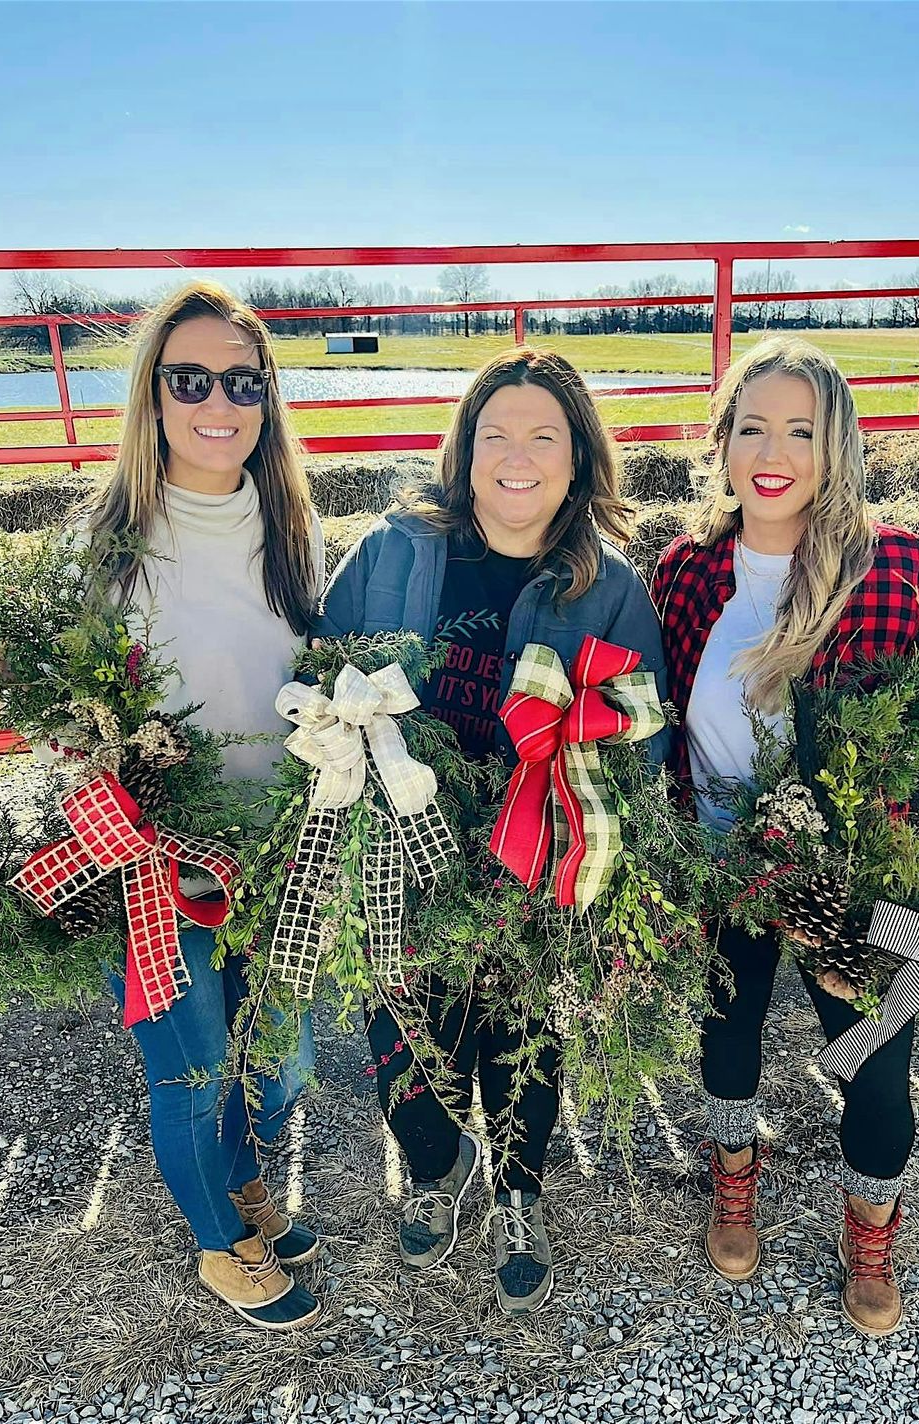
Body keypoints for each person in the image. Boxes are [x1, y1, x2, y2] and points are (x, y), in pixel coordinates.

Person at [318, 347, 667, 1315]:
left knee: (525, 1037)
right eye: (495, 433)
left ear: (578, 459)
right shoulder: (396, 548)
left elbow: (641, 729)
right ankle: (435, 1166)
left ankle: (518, 1189)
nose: (518, 456)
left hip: (531, 867)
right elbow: (321, 670)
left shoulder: (610, 586)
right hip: (398, 851)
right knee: (405, 1038)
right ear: (465, 450)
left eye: (543, 435)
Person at [651, 336, 919, 1337]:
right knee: (725, 1037)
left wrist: (917, 860)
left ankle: (870, 1226)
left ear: (837, 444)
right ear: (724, 442)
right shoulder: (687, 569)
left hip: (848, 870)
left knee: (871, 1057)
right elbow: (654, 714)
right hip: (720, 854)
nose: (771, 449)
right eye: (751, 426)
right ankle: (736, 1171)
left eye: (799, 429)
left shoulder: (892, 562)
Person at [85, 280, 325, 1329]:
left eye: (242, 380)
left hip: (278, 856)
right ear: (153, 394)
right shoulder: (106, 550)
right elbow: (72, 731)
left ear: (268, 398)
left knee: (275, 1054)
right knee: (191, 1065)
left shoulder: (295, 538)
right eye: (191, 379)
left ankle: (241, 1182)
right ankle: (223, 1243)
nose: (217, 402)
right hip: (157, 862)